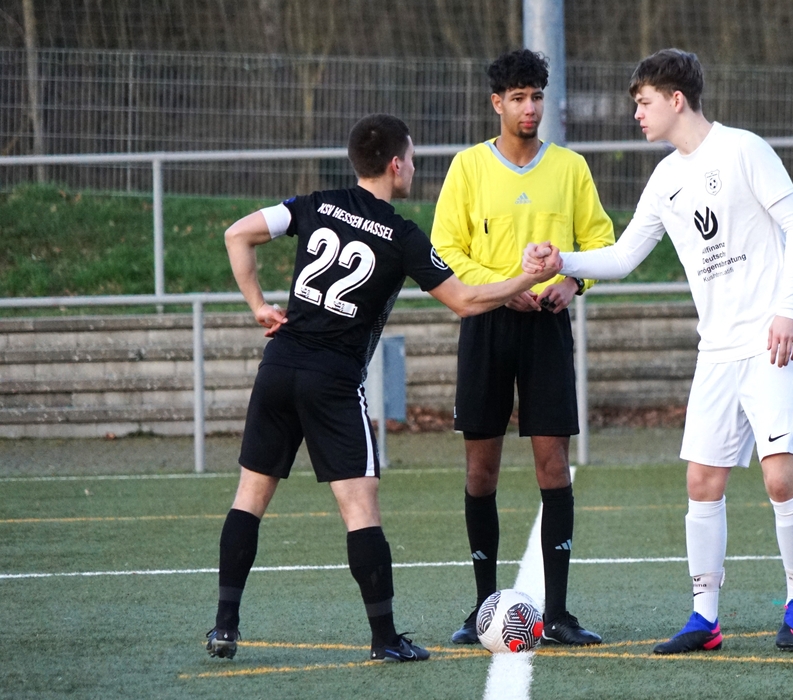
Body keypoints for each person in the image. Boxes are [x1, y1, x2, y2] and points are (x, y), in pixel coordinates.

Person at [206, 113, 562, 663]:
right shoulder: (401, 235)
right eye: (412, 160)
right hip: (332, 379)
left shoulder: (315, 204)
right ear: (396, 165)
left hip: (278, 366)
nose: (414, 169)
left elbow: (238, 234)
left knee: (249, 498)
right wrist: (528, 278)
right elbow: (466, 301)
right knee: (360, 508)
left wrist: (258, 306)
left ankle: (224, 626)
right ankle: (385, 638)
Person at [524, 48, 793, 653]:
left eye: (644, 102)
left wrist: (787, 309)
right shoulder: (665, 179)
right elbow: (624, 256)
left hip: (771, 337)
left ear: (676, 100)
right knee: (702, 482)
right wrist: (563, 261)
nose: (637, 114)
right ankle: (704, 619)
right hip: (717, 350)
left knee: (779, 475)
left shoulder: (744, 149)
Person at [430, 49, 615, 646]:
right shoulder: (467, 168)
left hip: (547, 329)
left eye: (536, 96)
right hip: (487, 324)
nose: (529, 107)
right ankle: (482, 609)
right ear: (497, 103)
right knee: (480, 470)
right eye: (517, 97)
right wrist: (503, 289)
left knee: (552, 464)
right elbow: (445, 249)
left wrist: (572, 283)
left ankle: (557, 614)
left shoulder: (570, 168)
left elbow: (600, 241)